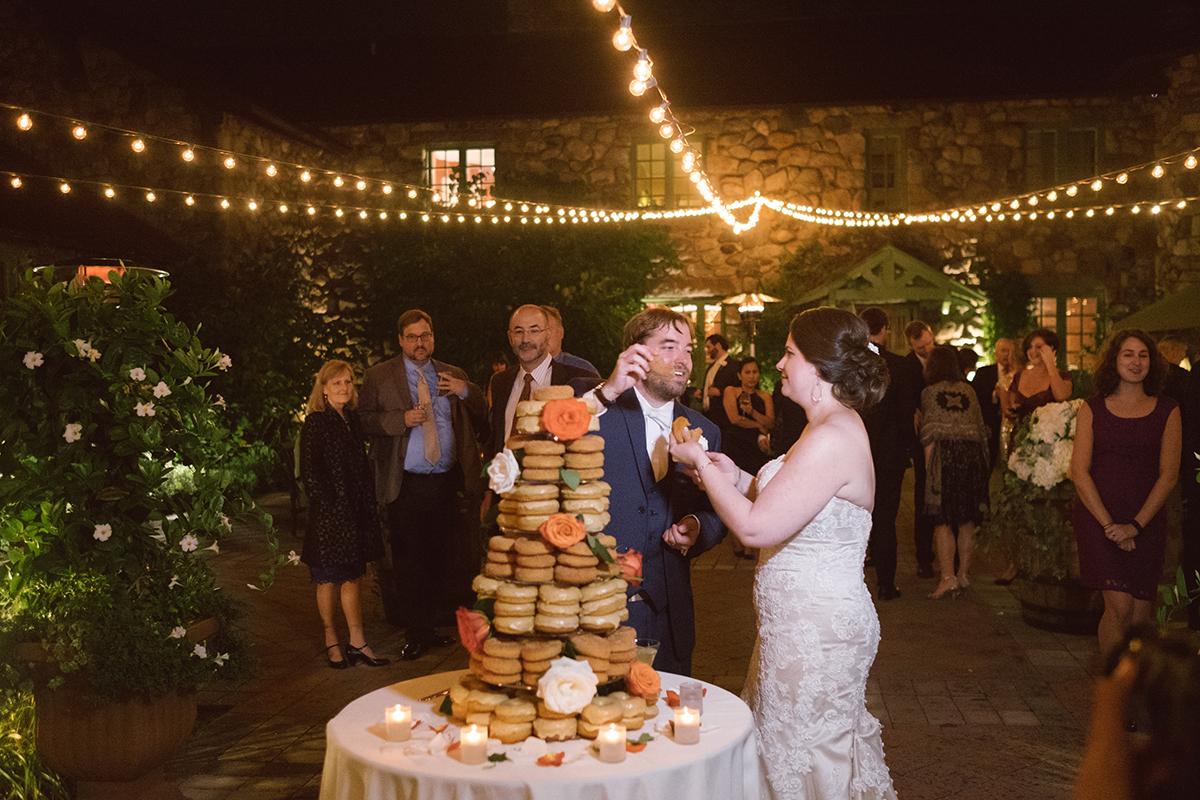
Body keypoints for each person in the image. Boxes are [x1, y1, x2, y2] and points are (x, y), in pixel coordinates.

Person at [669, 307, 895, 800]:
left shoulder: (833, 435)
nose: (778, 364)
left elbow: (755, 528)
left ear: (818, 366)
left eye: (789, 353)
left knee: (804, 757)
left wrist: (701, 471)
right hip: (797, 628)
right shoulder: (827, 427)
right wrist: (736, 477)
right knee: (784, 749)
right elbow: (794, 503)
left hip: (817, 632)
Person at [584, 307, 725, 675]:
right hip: (600, 610)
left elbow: (717, 512)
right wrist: (608, 391)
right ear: (636, 354)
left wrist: (697, 526)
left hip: (670, 614)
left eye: (688, 350)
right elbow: (540, 444)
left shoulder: (705, 427)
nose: (683, 361)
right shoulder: (597, 414)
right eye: (669, 347)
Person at [359, 309, 489, 660]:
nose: (421, 343)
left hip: (446, 481)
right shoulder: (379, 376)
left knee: (440, 558)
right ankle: (415, 631)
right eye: (413, 337)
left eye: (426, 336)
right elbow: (364, 420)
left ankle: (432, 626)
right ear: (401, 340)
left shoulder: (451, 374)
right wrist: (400, 420)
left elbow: (481, 410)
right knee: (408, 559)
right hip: (406, 482)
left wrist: (466, 390)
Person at [1071, 329, 1181, 655]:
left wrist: (1135, 526)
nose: (1136, 362)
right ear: (1114, 360)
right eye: (1128, 354)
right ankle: (1114, 691)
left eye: (1143, 355)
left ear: (1152, 362)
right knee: (1118, 606)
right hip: (1098, 518)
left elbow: (1169, 475)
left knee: (1139, 613)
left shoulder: (1168, 410)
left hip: (1146, 519)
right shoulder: (1092, 409)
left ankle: (1133, 686)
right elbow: (1079, 472)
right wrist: (1111, 527)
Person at [299, 360, 388, 669]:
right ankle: (331, 640)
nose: (344, 388)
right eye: (336, 383)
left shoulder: (351, 419)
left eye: (348, 382)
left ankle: (358, 641)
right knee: (328, 580)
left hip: (356, 512)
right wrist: (332, 506)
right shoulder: (316, 422)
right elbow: (310, 474)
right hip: (330, 516)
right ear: (323, 389)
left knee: (352, 578)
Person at [919, 345, 990, 599]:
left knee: (943, 520)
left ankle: (947, 577)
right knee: (967, 520)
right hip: (971, 459)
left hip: (945, 459)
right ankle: (964, 574)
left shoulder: (930, 392)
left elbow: (929, 434)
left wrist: (930, 469)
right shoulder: (968, 391)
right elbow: (981, 430)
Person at [860, 306, 919, 602]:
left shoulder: (851, 365)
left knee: (856, 513)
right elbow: (907, 413)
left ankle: (853, 577)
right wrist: (908, 446)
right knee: (885, 517)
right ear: (884, 329)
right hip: (890, 454)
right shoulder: (901, 366)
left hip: (855, 453)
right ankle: (886, 583)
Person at [486, 304, 596, 459]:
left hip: (556, 480)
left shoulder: (577, 380)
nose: (526, 339)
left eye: (534, 330)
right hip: (505, 480)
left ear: (548, 334)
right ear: (510, 337)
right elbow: (495, 439)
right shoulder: (500, 382)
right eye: (519, 332)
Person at [904, 319, 936, 578]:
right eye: (921, 346)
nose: (927, 349)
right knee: (923, 495)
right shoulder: (906, 366)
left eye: (929, 343)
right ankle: (923, 555)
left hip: (945, 434)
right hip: (921, 437)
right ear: (912, 345)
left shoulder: (946, 357)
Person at [1004, 327, 1073, 426]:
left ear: (1052, 348)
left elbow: (1061, 396)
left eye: (1039, 347)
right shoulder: (1019, 375)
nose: (1033, 351)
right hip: (1020, 435)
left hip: (1048, 435)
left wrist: (1050, 364)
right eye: (1029, 347)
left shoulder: (1063, 376)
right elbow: (1010, 406)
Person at [721, 357, 775, 480]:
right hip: (734, 444)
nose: (751, 376)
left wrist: (752, 412)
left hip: (756, 448)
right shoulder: (731, 391)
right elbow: (735, 419)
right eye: (747, 372)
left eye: (755, 372)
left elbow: (771, 423)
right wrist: (759, 425)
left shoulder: (765, 396)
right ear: (739, 375)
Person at [971, 338, 1016, 470]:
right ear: (996, 353)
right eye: (1003, 350)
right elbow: (976, 397)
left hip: (1011, 424)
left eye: (1010, 351)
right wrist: (995, 395)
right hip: (989, 423)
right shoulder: (983, 373)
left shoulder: (1020, 374)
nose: (1007, 354)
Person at [541, 304, 600, 377]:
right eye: (536, 331)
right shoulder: (523, 369)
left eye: (548, 329)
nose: (544, 336)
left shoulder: (583, 370)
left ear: (561, 332)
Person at [702, 333, 740, 429]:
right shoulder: (711, 367)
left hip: (724, 417)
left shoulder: (733, 366)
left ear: (718, 345)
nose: (707, 351)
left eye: (709, 347)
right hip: (709, 415)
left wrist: (721, 392)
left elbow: (737, 387)